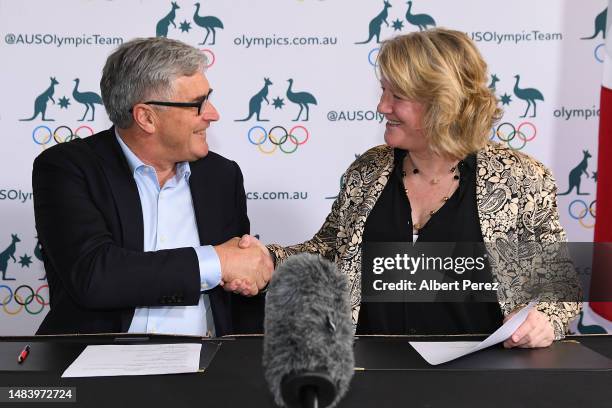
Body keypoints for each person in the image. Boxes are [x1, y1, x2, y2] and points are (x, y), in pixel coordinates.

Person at [249, 28, 581, 347]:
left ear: (442, 103)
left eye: (398, 96)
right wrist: (266, 259)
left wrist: (544, 320)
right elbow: (328, 251)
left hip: (476, 382)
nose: (382, 106)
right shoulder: (367, 170)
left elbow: (559, 284)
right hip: (371, 375)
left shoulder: (522, 179)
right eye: (383, 91)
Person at [33, 37, 272, 336]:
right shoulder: (67, 169)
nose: (212, 114)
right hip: (97, 367)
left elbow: (237, 297)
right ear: (146, 117)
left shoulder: (222, 176)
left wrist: (249, 277)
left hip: (205, 368)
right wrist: (217, 261)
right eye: (197, 104)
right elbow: (95, 274)